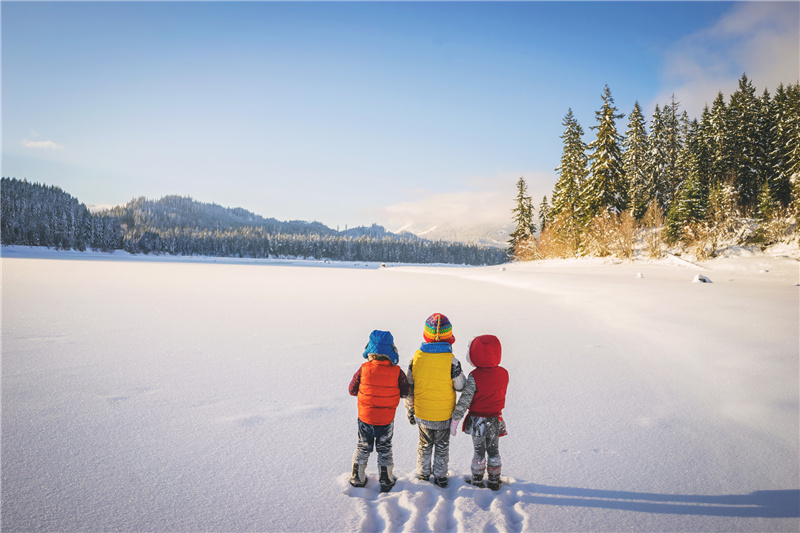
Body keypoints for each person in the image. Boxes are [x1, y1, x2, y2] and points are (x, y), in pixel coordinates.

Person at [405, 313, 466, 488]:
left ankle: (423, 475)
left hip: (422, 414)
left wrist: (410, 411)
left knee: (424, 445)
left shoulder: (416, 359)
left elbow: (409, 389)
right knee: (441, 446)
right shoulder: (451, 361)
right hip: (444, 416)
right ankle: (440, 477)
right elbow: (461, 386)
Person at [349, 330, 409, 492]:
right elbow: (405, 392)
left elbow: (352, 390)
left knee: (363, 446)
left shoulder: (363, 369)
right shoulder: (397, 372)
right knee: (385, 448)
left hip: (365, 418)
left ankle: (357, 477)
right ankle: (386, 478)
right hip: (386, 420)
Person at [450, 334, 509, 490]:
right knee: (494, 450)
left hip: (478, 422)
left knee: (479, 451)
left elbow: (465, 400)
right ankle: (495, 479)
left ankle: (477, 479)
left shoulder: (475, 376)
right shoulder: (504, 374)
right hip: (495, 420)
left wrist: (455, 420)